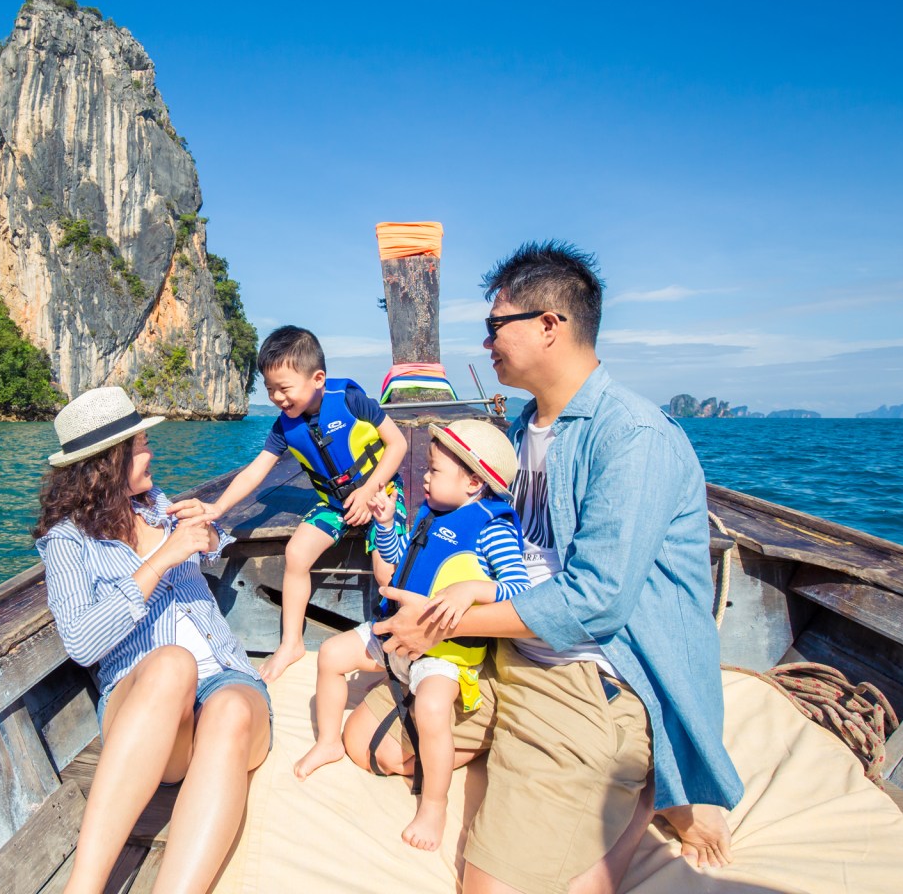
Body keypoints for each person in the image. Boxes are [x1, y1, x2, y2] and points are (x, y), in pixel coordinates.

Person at [373, 241, 743, 893]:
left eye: (495, 326)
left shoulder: (633, 438)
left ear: (549, 325)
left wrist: (444, 622)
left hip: (589, 672)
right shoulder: (524, 431)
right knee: (370, 746)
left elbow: (593, 605)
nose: (485, 341)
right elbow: (516, 551)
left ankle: (651, 782)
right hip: (513, 652)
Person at [34, 386, 271, 894]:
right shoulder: (66, 541)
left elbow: (212, 543)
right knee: (172, 664)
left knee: (227, 709)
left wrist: (209, 537)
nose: (151, 453)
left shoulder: (158, 505)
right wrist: (159, 560)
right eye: (141, 446)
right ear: (108, 462)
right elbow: (80, 641)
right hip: (150, 704)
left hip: (227, 681)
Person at [296, 419, 531, 855]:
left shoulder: (490, 529)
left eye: (435, 470)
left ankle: (434, 806)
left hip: (442, 654)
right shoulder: (429, 515)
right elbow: (400, 558)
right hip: (397, 632)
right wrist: (385, 527)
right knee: (330, 653)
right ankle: (328, 742)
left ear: (474, 482)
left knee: (433, 709)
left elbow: (520, 590)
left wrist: (473, 590)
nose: (423, 476)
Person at [172, 325, 408, 682]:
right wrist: (217, 508)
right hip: (335, 503)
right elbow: (256, 472)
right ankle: (291, 643)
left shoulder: (350, 400)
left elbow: (398, 445)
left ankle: (397, 637)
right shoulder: (284, 427)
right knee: (297, 552)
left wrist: (369, 490)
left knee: (384, 571)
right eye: (270, 390)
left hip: (380, 495)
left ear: (317, 378)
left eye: (284, 388)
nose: (278, 398)